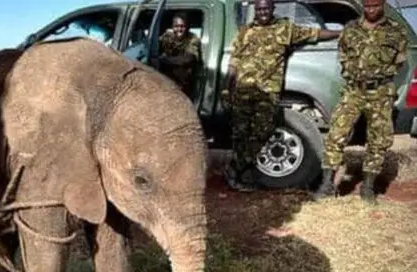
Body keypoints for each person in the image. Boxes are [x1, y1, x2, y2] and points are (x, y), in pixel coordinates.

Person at [221, 0, 340, 191]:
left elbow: (315, 34)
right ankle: (240, 175)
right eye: (259, 9)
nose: (262, 12)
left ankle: (237, 167)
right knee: (240, 133)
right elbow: (234, 63)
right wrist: (227, 87)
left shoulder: (284, 29)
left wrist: (340, 33)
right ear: (255, 10)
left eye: (266, 8)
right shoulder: (244, 32)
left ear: (272, 9)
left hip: (267, 92)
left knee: (263, 131)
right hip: (243, 91)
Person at [312, 0, 408, 204]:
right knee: (336, 133)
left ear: (382, 5)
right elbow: (343, 53)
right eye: (367, 6)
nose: (371, 10)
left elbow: (400, 62)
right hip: (353, 90)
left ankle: (368, 186)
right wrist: (351, 72)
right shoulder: (351, 29)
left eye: (375, 6)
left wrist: (380, 78)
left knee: (379, 139)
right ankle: (327, 185)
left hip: (381, 92)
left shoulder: (396, 31)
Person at [157, 12, 201, 98]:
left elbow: (188, 58)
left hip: (184, 79)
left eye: (182, 26)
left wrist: (164, 60)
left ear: (187, 27)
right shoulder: (167, 37)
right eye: (176, 26)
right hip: (167, 77)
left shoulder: (192, 38)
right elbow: (153, 47)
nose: (179, 29)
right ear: (172, 27)